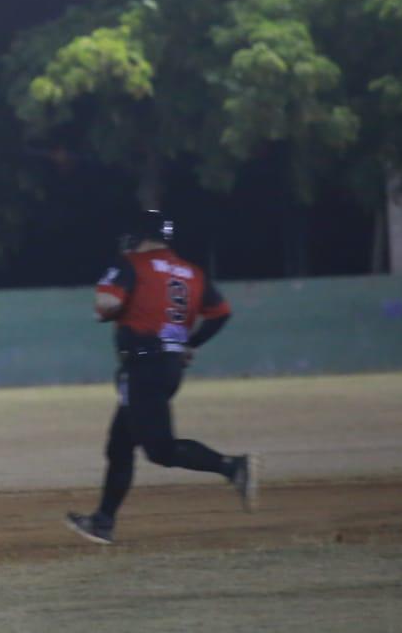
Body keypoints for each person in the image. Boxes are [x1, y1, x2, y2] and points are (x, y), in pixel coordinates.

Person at [65, 209, 258, 545]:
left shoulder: (132, 265)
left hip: (143, 366)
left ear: (140, 237)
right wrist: (189, 341)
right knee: (120, 447)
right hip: (166, 367)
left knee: (160, 450)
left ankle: (232, 467)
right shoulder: (192, 272)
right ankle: (103, 521)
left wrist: (113, 300)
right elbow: (221, 313)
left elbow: (106, 304)